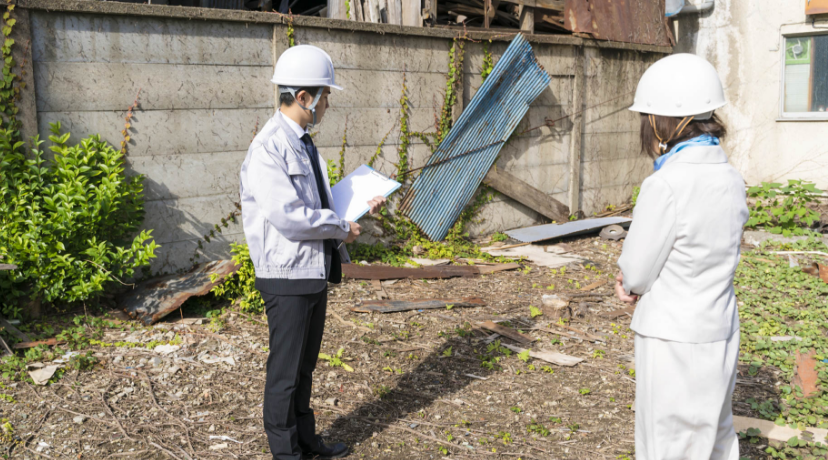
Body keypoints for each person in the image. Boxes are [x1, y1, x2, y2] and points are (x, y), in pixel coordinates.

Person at [239, 44, 386, 460]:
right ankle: (287, 453)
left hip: (311, 271)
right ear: (303, 97)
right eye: (325, 94)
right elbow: (290, 217)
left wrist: (357, 207)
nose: (328, 103)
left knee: (304, 369)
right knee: (284, 374)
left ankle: (307, 442)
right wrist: (341, 226)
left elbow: (317, 205)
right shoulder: (268, 149)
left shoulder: (303, 144)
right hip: (286, 277)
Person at [615, 53, 748, 460]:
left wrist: (629, 284)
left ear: (662, 121)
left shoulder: (666, 183)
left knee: (666, 442)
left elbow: (637, 269)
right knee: (715, 435)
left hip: (672, 333)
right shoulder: (730, 178)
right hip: (720, 324)